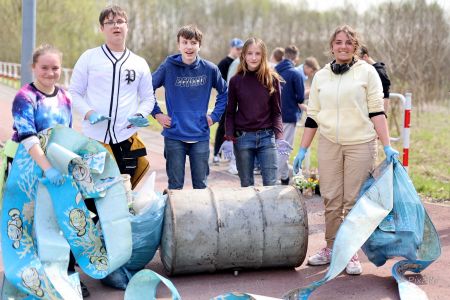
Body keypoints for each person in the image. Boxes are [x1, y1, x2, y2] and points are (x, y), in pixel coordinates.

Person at [293, 25, 399, 275]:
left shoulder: (368, 73)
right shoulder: (320, 76)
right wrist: (302, 149)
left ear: (356, 47)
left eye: (348, 42)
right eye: (338, 42)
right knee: (330, 197)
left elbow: (376, 110)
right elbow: (313, 116)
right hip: (330, 142)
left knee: (352, 200)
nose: (343, 46)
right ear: (331, 46)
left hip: (360, 143)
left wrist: (387, 145)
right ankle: (331, 247)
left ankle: (350, 251)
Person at [10, 45, 91, 297]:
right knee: (32, 223)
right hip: (28, 168)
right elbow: (28, 137)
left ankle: (66, 274)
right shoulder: (25, 97)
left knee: (62, 220)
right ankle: (32, 278)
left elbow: (66, 132)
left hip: (57, 167)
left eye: (55, 67)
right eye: (44, 67)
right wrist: (46, 167)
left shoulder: (65, 97)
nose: (50, 72)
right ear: (33, 68)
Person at [70, 5, 155, 190]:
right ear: (102, 28)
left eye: (120, 21)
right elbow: (74, 92)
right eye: (109, 22)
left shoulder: (139, 63)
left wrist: (140, 115)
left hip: (126, 136)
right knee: (94, 193)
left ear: (127, 26)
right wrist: (89, 113)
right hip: (95, 138)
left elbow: (149, 98)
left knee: (125, 191)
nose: (115, 26)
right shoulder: (89, 57)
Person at [151, 24, 228, 190]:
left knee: (201, 186)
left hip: (200, 135)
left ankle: (201, 217)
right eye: (185, 42)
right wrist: (157, 114)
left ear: (199, 45)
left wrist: (214, 117)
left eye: (193, 42)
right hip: (174, 135)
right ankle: (175, 216)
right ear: (179, 45)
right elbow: (146, 89)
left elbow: (225, 92)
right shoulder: (168, 66)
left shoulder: (210, 69)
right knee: (175, 186)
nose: (189, 47)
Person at [225, 37, 289, 187]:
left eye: (258, 54)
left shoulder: (272, 79)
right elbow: (230, 113)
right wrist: (228, 137)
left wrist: (279, 137)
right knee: (247, 185)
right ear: (244, 56)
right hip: (243, 139)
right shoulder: (235, 81)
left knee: (271, 185)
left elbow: (277, 113)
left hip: (267, 138)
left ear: (263, 56)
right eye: (249, 53)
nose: (253, 57)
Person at [275, 45, 305, 185]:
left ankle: (284, 177)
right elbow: (300, 98)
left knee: (276, 148)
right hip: (287, 116)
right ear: (296, 58)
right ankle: (272, 179)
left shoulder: (272, 71)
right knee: (283, 150)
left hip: (271, 116)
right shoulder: (295, 74)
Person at [212, 38, 243, 165]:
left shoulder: (241, 62)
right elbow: (217, 82)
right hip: (226, 100)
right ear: (232, 48)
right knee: (223, 127)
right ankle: (216, 154)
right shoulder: (224, 63)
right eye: (237, 49)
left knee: (236, 128)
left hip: (238, 100)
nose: (239, 51)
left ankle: (231, 155)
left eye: (241, 49)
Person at [359, 45, 391, 112]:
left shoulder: (379, 72)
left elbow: (385, 96)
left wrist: (383, 116)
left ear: (365, 57)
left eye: (357, 60)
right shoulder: (365, 70)